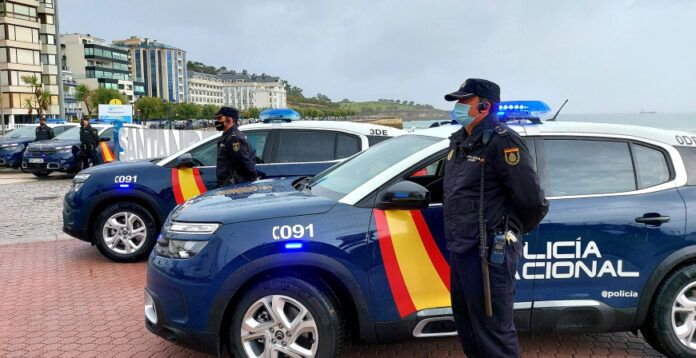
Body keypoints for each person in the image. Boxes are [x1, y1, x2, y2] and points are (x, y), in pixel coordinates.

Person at [443, 78, 548, 358]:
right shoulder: (460, 141)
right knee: (468, 326)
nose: (458, 106)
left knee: (493, 333)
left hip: (489, 254)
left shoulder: (502, 141)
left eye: (465, 101)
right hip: (462, 249)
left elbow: (532, 201)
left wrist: (507, 232)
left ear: (485, 105)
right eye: (458, 101)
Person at [214, 107, 257, 187]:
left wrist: (254, 177)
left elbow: (243, 161)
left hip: (234, 185)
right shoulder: (228, 136)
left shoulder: (234, 138)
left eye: (220, 118)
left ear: (230, 120)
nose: (217, 121)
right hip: (230, 184)